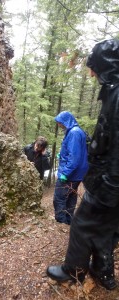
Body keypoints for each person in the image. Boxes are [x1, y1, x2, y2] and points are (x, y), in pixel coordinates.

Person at [47, 39, 119, 290]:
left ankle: (73, 271)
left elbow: (111, 145)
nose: (90, 72)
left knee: (82, 223)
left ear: (105, 66)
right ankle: (104, 272)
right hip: (110, 180)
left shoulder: (117, 94)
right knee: (108, 228)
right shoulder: (113, 91)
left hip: (109, 182)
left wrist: (108, 184)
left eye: (93, 66)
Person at [53, 111, 88, 225]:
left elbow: (75, 157)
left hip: (71, 174)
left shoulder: (73, 133)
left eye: (60, 122)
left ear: (66, 121)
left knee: (59, 198)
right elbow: (75, 152)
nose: (59, 125)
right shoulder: (76, 131)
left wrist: (65, 173)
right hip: (77, 174)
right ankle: (69, 221)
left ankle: (61, 223)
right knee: (71, 197)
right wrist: (62, 155)